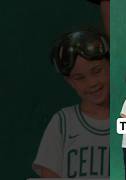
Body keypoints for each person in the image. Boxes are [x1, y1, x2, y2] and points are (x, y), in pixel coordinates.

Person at [32, 30, 109, 178]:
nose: (91, 83)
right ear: (70, 82)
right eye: (80, 78)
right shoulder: (63, 122)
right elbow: (49, 176)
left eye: (97, 71)